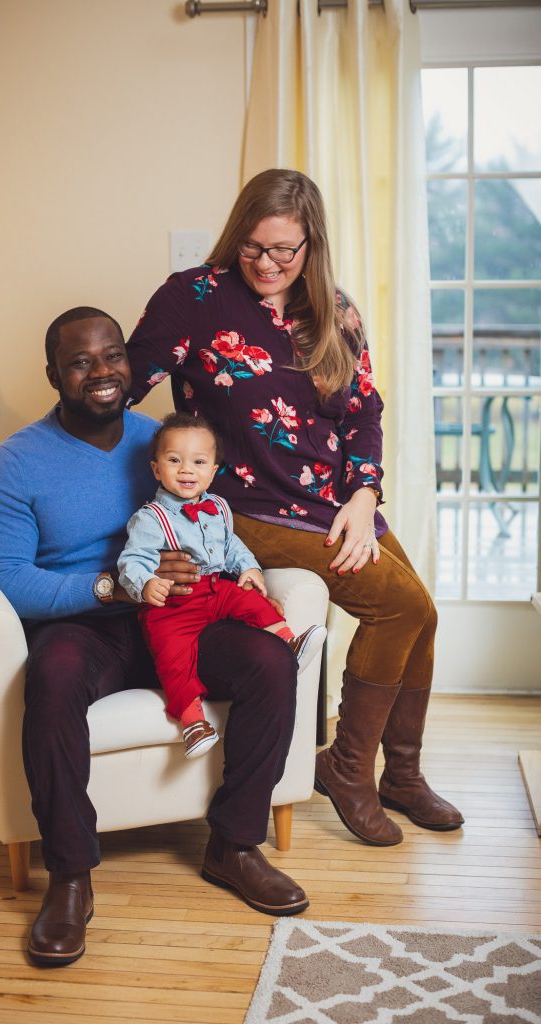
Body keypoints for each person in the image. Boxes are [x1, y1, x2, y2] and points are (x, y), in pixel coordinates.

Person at [126, 168, 464, 849]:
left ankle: (399, 773)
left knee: (419, 614)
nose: (267, 263)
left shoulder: (334, 309)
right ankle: (346, 771)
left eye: (285, 249)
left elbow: (364, 412)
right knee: (396, 606)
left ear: (312, 244)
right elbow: (123, 388)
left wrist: (364, 497)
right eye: (253, 246)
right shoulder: (191, 296)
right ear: (235, 236)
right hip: (246, 510)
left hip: (334, 505)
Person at [0, 305, 310, 969]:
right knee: (54, 676)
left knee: (271, 661)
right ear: (53, 375)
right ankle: (70, 877)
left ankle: (234, 845)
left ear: (130, 362)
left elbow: (213, 523)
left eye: (112, 355)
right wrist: (108, 587)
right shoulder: (17, 463)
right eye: (80, 361)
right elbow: (4, 579)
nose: (101, 372)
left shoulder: (162, 442)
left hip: (180, 617)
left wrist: (236, 575)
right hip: (84, 624)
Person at [117, 411, 327, 758]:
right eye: (174, 460)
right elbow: (132, 559)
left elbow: (232, 546)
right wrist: (147, 582)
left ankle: (287, 641)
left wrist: (249, 568)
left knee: (251, 600)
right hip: (174, 606)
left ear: (213, 472)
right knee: (173, 659)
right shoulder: (151, 518)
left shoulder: (219, 507)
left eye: (198, 462)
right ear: (156, 469)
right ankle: (192, 721)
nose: (187, 470)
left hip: (215, 588)